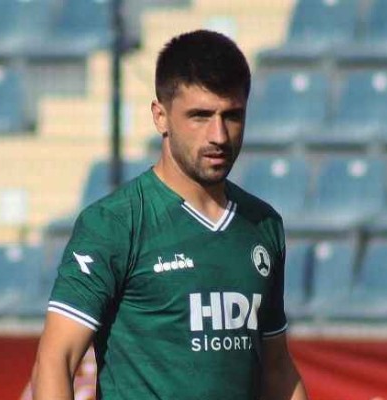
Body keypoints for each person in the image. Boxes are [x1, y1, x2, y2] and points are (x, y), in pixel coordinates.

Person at [31, 29, 309, 400]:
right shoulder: (115, 223)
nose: (219, 135)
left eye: (232, 116)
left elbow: (277, 370)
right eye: (200, 116)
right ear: (160, 117)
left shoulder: (263, 225)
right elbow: (55, 360)